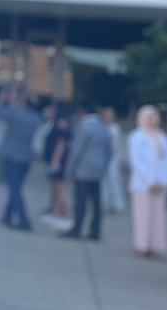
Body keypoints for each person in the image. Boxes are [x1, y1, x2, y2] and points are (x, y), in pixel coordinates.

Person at [62, 102, 112, 241]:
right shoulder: (104, 127)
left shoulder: (84, 127)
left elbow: (77, 150)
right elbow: (109, 151)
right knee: (96, 202)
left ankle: (77, 228)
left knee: (81, 201)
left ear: (82, 112)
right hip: (98, 170)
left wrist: (69, 170)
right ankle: (95, 231)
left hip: (83, 169)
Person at [0, 88, 42, 231]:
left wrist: (2, 100)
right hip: (26, 157)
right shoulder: (37, 119)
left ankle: (24, 220)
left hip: (12, 155)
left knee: (14, 190)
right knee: (16, 187)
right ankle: (7, 215)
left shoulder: (16, 114)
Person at [127, 105, 167, 258]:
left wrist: (162, 181)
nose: (154, 120)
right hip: (142, 184)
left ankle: (154, 245)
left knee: (157, 216)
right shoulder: (136, 136)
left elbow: (164, 162)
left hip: (160, 184)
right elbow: (136, 161)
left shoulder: (162, 137)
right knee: (142, 214)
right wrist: (150, 181)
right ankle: (141, 245)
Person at [41, 113, 72, 231]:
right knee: (54, 189)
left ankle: (67, 217)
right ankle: (54, 214)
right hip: (55, 162)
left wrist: (54, 162)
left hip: (59, 163)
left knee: (60, 190)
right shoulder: (54, 124)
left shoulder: (62, 125)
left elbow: (61, 145)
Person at [100, 106, 126, 214]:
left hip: (113, 160)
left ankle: (117, 204)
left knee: (114, 181)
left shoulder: (115, 128)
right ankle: (105, 204)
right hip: (102, 159)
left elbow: (113, 146)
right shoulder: (102, 127)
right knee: (103, 183)